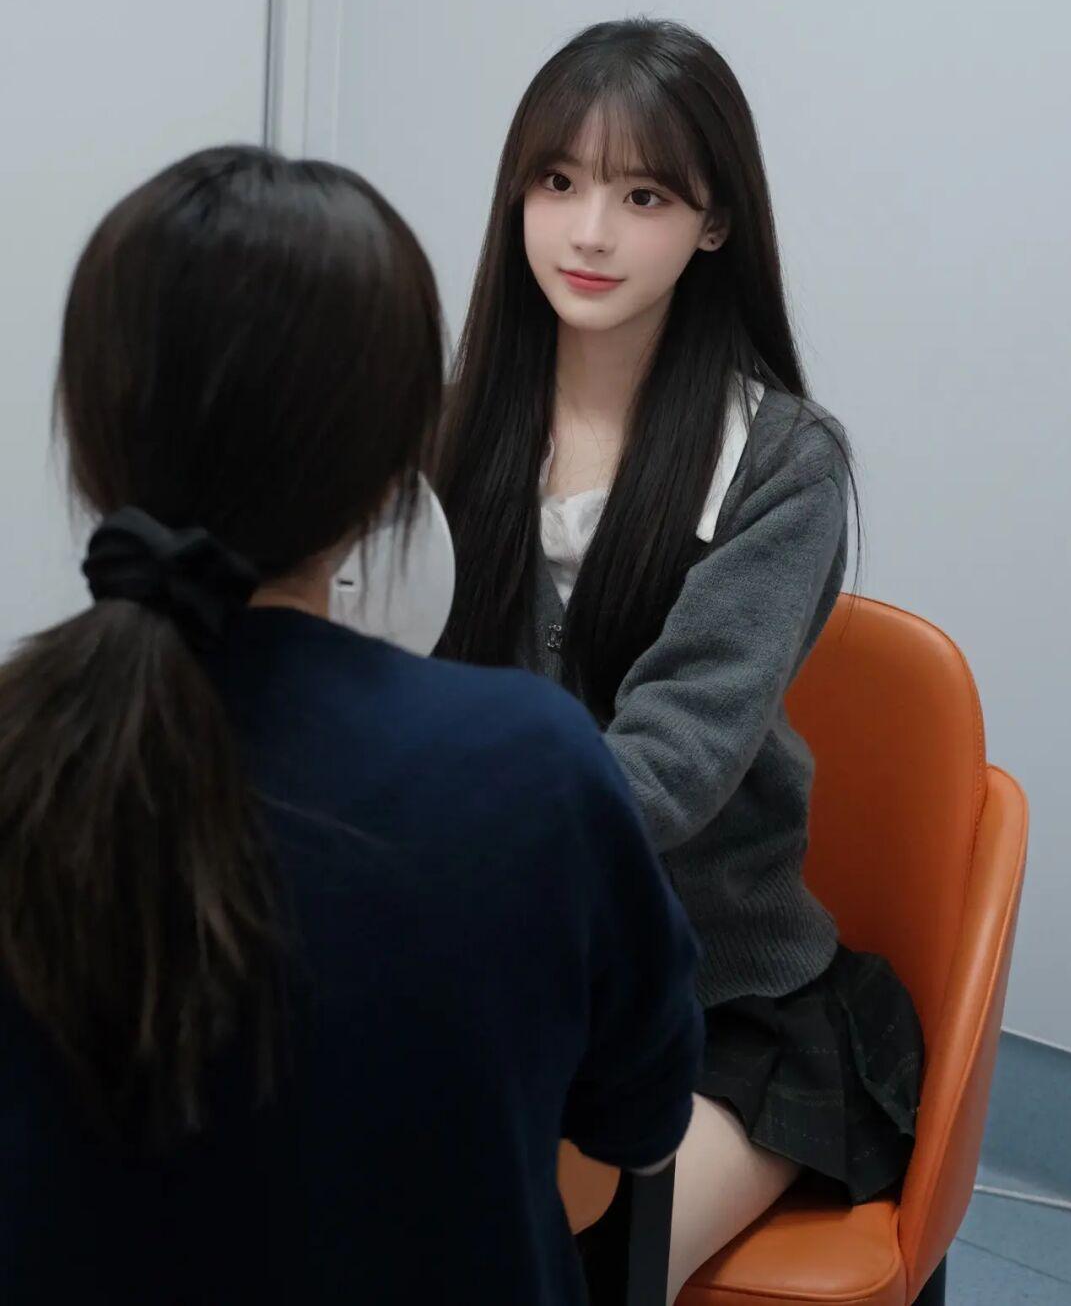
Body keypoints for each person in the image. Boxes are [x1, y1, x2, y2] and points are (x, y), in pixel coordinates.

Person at [0, 147, 703, 1305]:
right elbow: (640, 1117)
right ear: (395, 474)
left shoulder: (27, 747)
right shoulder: (534, 768)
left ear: (86, 433)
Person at [436, 20, 924, 1303]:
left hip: (714, 1003)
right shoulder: (448, 424)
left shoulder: (782, 461)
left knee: (554, 1266)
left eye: (643, 196)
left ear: (714, 224)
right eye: (557, 182)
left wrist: (452, 854)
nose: (589, 232)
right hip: (493, 972)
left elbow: (675, 756)